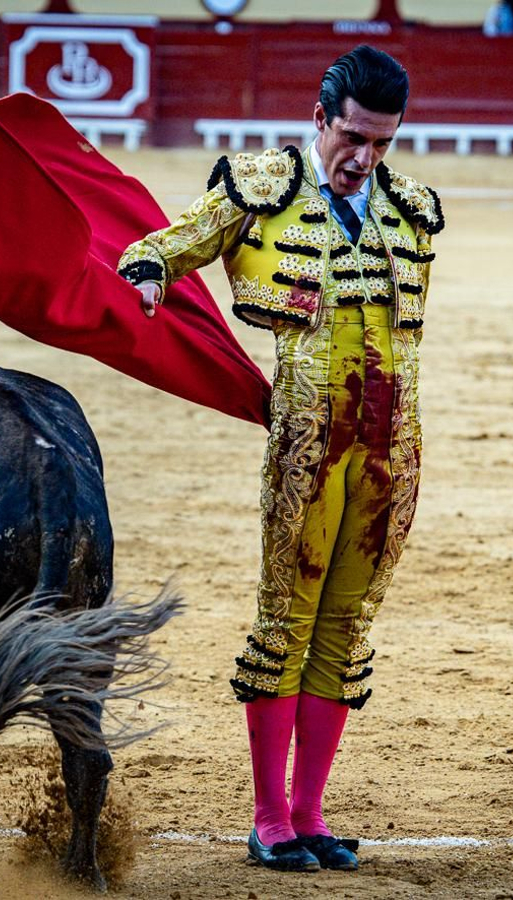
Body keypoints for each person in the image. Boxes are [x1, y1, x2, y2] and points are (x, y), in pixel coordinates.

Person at [118, 45, 443, 873]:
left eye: (381, 142)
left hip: (392, 455)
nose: (364, 158)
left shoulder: (410, 209)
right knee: (286, 625)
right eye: (353, 138)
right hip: (307, 447)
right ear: (319, 119)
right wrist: (149, 276)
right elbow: (166, 244)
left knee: (346, 630)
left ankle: (310, 813)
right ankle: (268, 817)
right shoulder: (261, 189)